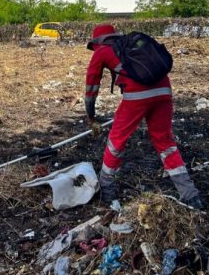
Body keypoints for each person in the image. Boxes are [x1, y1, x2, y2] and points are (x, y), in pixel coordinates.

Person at [84, 24, 202, 208]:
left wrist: (91, 116)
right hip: (164, 91)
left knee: (116, 141)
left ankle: (107, 190)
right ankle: (190, 195)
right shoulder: (132, 44)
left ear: (98, 41)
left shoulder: (103, 52)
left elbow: (91, 87)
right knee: (165, 141)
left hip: (136, 97)